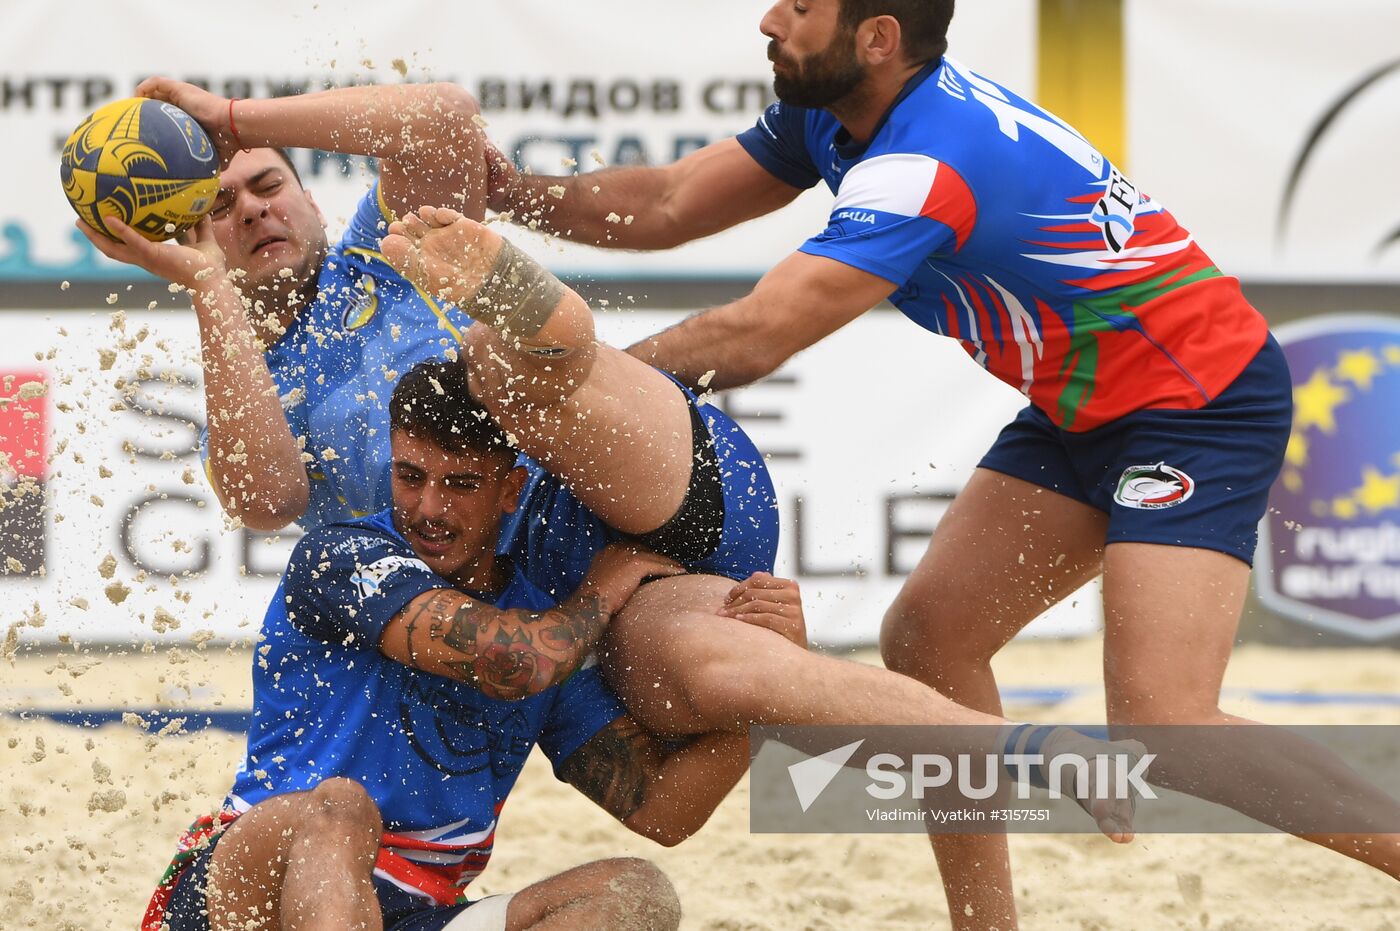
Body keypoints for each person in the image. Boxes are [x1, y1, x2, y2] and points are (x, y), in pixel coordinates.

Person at [473, 0, 1400, 926]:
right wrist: (508, 191)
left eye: (799, 8)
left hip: (1200, 399)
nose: (767, 19)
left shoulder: (924, 164)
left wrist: (565, 403)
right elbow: (670, 202)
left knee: (1168, 725)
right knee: (930, 635)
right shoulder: (839, 108)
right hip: (1087, 402)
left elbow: (755, 336)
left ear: (876, 38)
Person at [87, 75, 1144, 871]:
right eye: (221, 211)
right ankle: (1022, 750)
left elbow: (442, 121)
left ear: (305, 190)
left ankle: (539, 325)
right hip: (616, 568)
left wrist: (233, 114)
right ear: (197, 248)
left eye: (267, 183)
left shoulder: (383, 241)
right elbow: (263, 499)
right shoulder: (253, 370)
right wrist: (203, 292)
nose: (256, 210)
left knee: (502, 384)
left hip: (648, 466)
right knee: (733, 676)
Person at [142, 362, 764, 931]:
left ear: (511, 490)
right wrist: (602, 591)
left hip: (418, 909)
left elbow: (665, 809)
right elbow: (516, 662)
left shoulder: (547, 624)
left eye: (461, 483)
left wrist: (765, 679)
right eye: (410, 477)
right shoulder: (342, 556)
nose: (429, 509)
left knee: (635, 895)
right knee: (340, 808)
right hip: (245, 888)